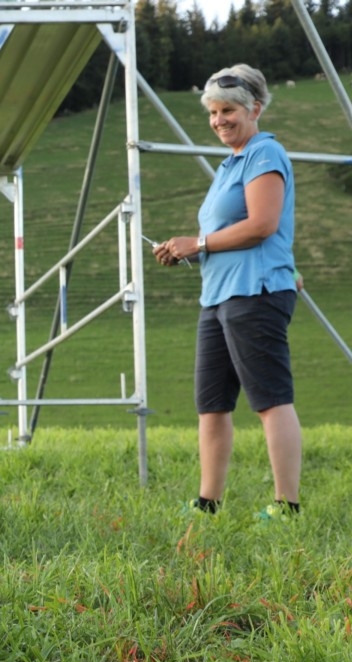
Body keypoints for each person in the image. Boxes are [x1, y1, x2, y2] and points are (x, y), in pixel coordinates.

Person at [152, 64, 303, 520]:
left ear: (254, 109)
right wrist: (184, 250)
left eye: (228, 111)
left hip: (254, 293)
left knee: (270, 399)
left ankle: (287, 506)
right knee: (211, 403)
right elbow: (227, 233)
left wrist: (196, 244)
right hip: (218, 296)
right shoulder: (230, 164)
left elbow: (262, 225)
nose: (219, 120)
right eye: (213, 112)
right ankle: (208, 502)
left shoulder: (264, 154)